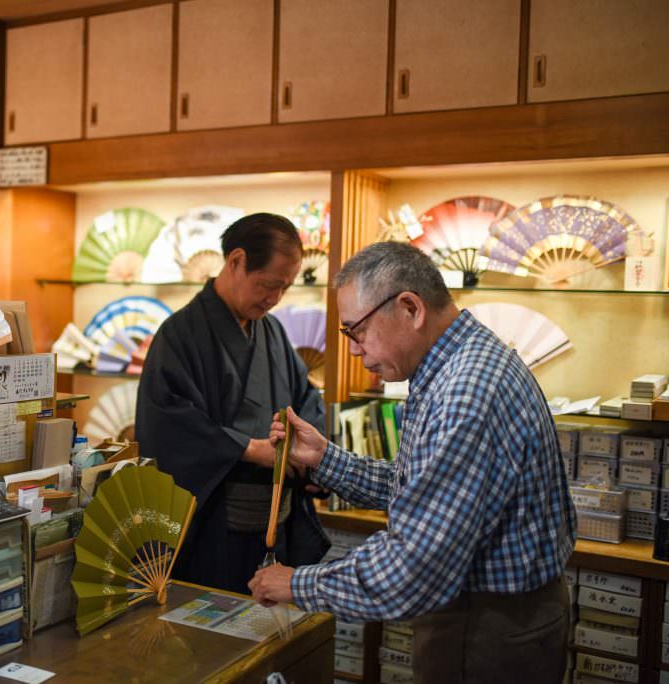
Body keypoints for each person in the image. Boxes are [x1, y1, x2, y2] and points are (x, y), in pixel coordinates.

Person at [248, 241, 576, 683]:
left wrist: (295, 583)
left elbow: (413, 567)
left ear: (410, 308)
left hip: (486, 629)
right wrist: (324, 458)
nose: (353, 350)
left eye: (356, 331)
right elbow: (420, 489)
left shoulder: (465, 391)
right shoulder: (456, 364)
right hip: (493, 616)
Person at [136, 212, 330, 594]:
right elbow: (168, 424)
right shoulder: (180, 334)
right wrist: (248, 448)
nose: (274, 299)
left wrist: (298, 447)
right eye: (267, 285)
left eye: (284, 289)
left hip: (277, 519)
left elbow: (306, 398)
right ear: (236, 261)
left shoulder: (271, 330)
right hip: (214, 526)